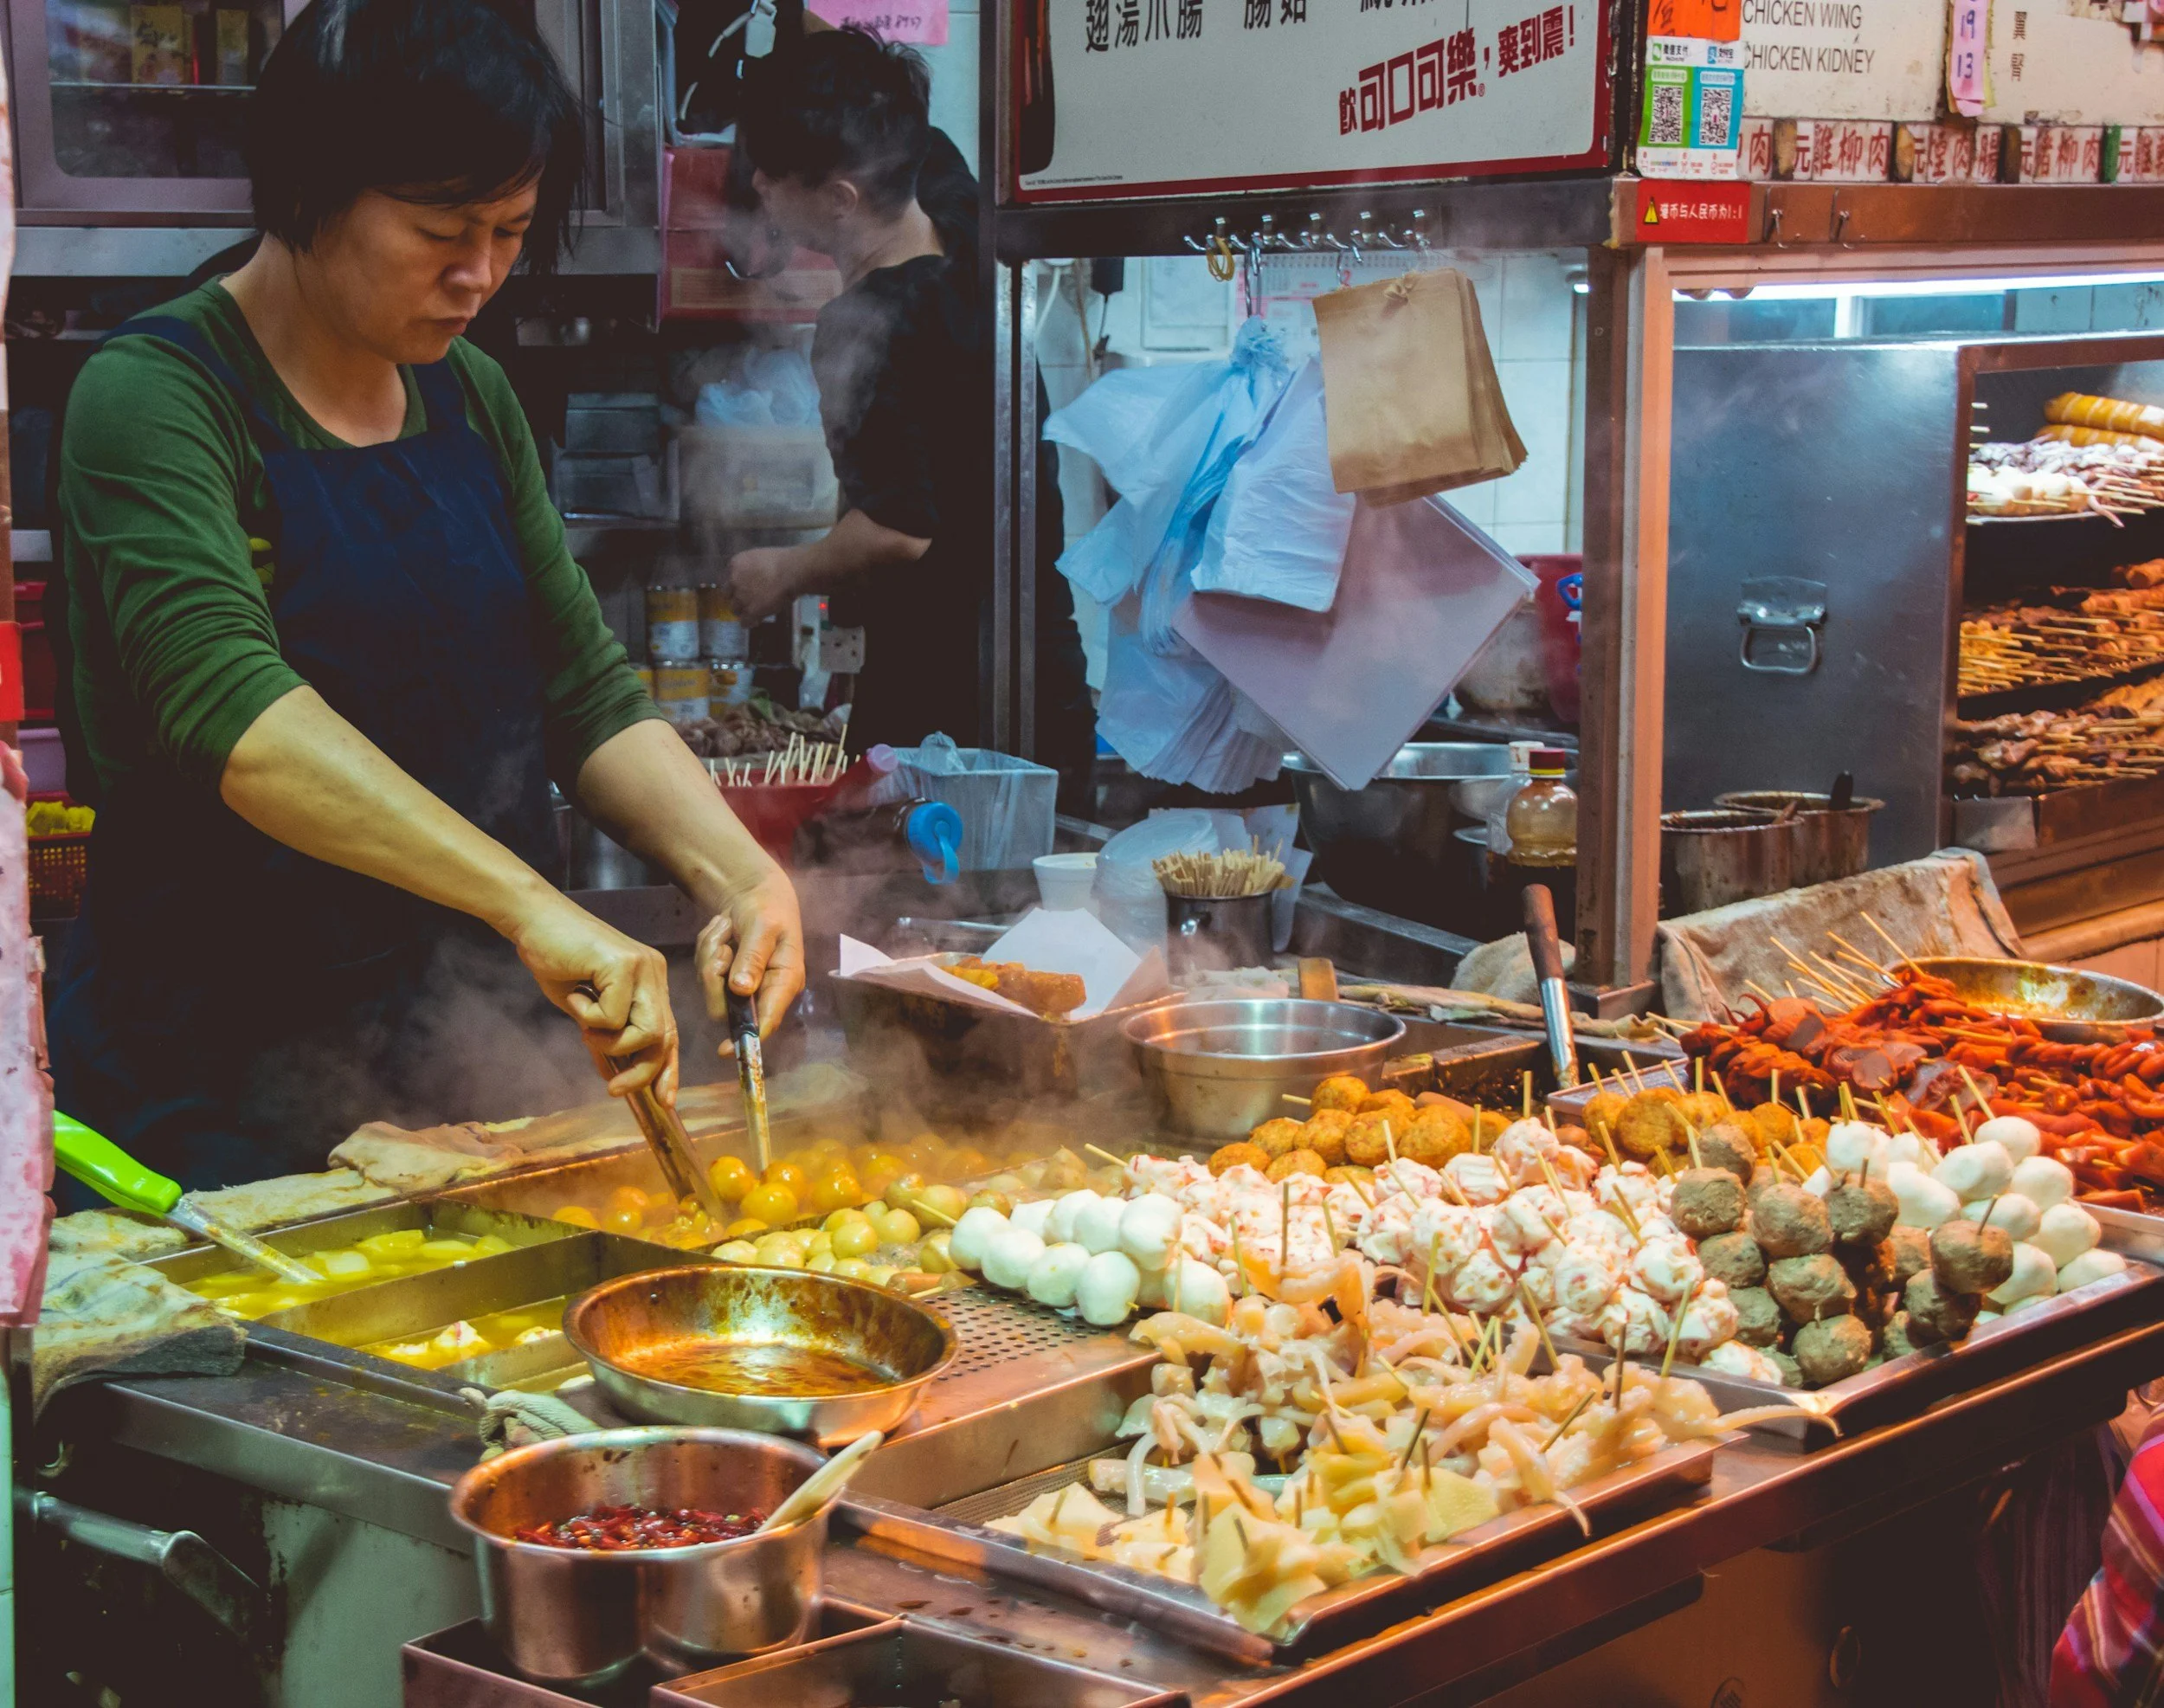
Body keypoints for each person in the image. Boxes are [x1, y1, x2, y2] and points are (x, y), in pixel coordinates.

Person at [48, 0, 803, 1189]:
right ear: (308, 191)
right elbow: (236, 717)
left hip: (471, 1060)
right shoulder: (155, 398)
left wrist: (743, 875)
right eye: (443, 230)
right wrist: (530, 904)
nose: (482, 274)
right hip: (223, 1081)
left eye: (510, 231)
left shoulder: (471, 397)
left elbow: (584, 690)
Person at [721, 30, 1093, 799]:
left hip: (943, 725)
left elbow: (897, 530)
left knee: (916, 915)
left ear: (839, 200)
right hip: (1044, 680)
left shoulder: (865, 327)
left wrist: (780, 573)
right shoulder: (956, 204)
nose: (757, 183)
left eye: (774, 175)